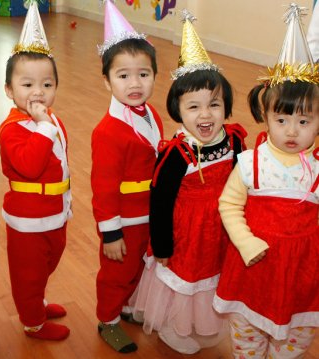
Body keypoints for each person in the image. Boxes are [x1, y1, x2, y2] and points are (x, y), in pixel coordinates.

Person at [131, 10, 247, 355]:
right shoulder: (177, 154)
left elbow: (246, 184)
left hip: (221, 228)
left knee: (211, 279)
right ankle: (173, 325)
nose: (205, 114)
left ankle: (203, 323)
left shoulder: (236, 141)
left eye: (214, 104)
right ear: (178, 111)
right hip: (186, 234)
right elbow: (160, 202)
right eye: (193, 107)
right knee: (182, 284)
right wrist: (163, 246)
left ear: (226, 106)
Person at [214, 4, 319, 358]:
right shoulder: (251, 162)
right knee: (248, 335)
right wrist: (244, 241)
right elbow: (229, 205)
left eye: (304, 122)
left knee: (296, 339)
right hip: (254, 269)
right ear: (266, 115)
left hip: (303, 274)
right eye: (282, 120)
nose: (292, 131)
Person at [91, 0, 163, 353]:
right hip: (124, 218)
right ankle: (108, 319)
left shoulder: (152, 115)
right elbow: (102, 189)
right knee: (116, 272)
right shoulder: (108, 131)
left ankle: (128, 307)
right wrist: (112, 232)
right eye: (123, 76)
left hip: (148, 213)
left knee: (139, 267)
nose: (135, 83)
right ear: (107, 81)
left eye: (143, 74)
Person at [0, 0, 71, 341]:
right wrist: (42, 128)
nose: (38, 92)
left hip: (55, 212)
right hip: (28, 219)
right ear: (10, 91)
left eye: (47, 84)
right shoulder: (13, 129)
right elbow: (29, 166)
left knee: (48, 262)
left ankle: (38, 300)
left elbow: (61, 163)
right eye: (27, 85)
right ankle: (33, 321)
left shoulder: (52, 118)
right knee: (28, 272)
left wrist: (68, 202)